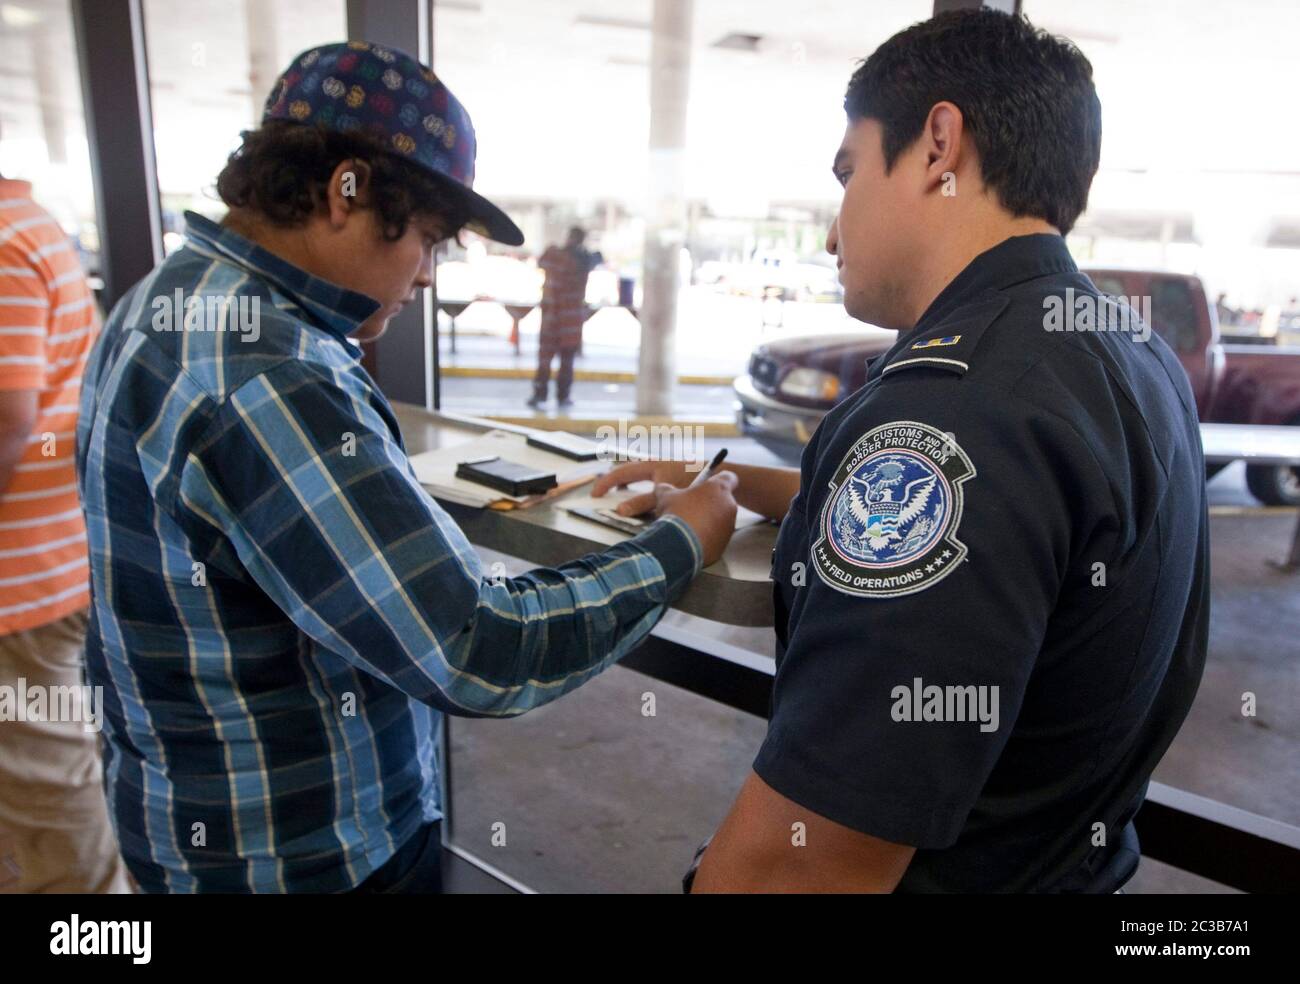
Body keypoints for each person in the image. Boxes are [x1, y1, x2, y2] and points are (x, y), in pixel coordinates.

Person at [75, 41, 738, 894]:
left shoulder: (169, 295)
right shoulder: (269, 365)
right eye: (427, 238)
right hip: (300, 857)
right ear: (346, 190)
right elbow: (477, 650)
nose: (427, 274)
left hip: (188, 815)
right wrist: (682, 538)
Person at [595, 9, 1209, 893]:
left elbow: (805, 867)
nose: (833, 233)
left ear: (938, 145)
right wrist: (730, 482)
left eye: (847, 173)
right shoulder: (1122, 347)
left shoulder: (950, 414)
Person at [0, 171, 130, 893]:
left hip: (17, 590)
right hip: (43, 569)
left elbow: (6, 421)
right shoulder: (27, 221)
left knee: (50, 799)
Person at [528, 226, 601, 409]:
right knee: (566, 361)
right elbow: (597, 258)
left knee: (546, 359)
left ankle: (540, 394)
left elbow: (542, 261)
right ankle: (562, 396)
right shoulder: (582, 260)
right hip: (570, 320)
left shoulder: (556, 255)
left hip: (552, 317)